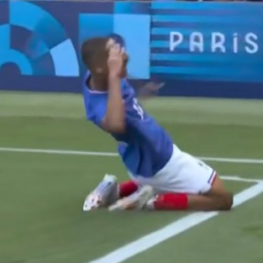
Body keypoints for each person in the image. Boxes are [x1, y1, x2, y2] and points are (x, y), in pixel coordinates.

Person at [81, 36, 234, 212]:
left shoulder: (97, 76)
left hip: (140, 160)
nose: (120, 54)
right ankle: (154, 201)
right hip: (160, 160)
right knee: (223, 199)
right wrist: (115, 75)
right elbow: (116, 126)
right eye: (113, 52)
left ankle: (113, 190)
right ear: (100, 67)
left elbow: (122, 96)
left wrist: (139, 90)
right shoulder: (99, 103)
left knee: (150, 182)